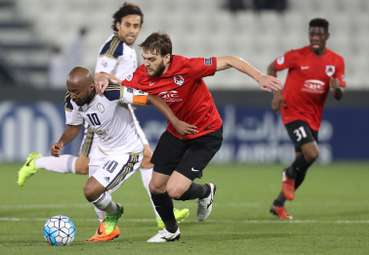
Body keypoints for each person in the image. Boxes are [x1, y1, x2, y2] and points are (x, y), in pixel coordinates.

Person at [17, 2, 189, 241]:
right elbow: (96, 83)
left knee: (117, 171)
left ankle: (151, 217)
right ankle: (116, 218)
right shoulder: (111, 51)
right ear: (117, 25)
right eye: (128, 24)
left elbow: (139, 94)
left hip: (120, 124)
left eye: (137, 26)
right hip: (101, 126)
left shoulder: (121, 68)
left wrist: (172, 114)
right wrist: (61, 141)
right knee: (87, 172)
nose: (132, 30)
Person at [97, 32, 282, 242]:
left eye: (152, 59)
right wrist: (102, 77)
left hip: (206, 134)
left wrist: (260, 77)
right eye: (144, 58)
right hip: (176, 132)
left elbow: (230, 60)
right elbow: (120, 84)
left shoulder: (187, 67)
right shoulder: (142, 75)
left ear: (167, 57)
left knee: (174, 190)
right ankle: (171, 231)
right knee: (156, 186)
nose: (146, 63)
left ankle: (204, 192)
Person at [48, 66, 195, 243]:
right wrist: (61, 142)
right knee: (94, 195)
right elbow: (73, 126)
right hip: (101, 149)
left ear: (91, 87)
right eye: (70, 91)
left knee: (91, 190)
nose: (73, 95)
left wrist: (175, 120)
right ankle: (108, 226)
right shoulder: (71, 100)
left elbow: (150, 98)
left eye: (76, 92)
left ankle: (114, 213)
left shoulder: (111, 92)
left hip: (127, 152)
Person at [267, 18, 346, 220]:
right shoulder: (296, 55)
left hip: (313, 118)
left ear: (327, 36)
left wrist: (336, 89)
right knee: (311, 154)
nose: (315, 37)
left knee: (301, 164)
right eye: (312, 34)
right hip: (292, 112)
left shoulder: (336, 61)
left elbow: (339, 93)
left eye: (319, 34)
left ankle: (278, 204)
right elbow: (271, 67)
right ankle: (287, 174)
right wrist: (276, 93)